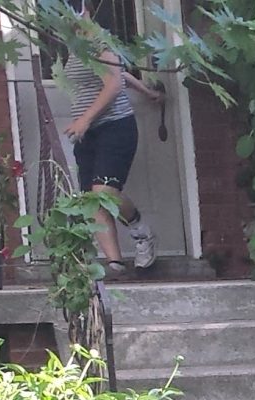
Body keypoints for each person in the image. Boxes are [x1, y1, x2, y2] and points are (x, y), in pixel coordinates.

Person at [59, 7, 158, 275]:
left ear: (83, 11)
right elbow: (119, 74)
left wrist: (85, 119)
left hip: (115, 127)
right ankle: (115, 265)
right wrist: (146, 91)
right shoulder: (77, 42)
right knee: (92, 200)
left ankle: (141, 232)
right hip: (87, 134)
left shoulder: (96, 40)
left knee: (105, 194)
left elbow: (113, 84)